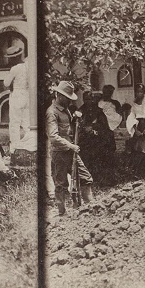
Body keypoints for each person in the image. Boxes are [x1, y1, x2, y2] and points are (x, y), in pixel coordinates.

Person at [47, 80, 94, 215]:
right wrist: (70, 145)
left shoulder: (66, 109)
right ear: (59, 96)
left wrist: (74, 118)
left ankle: (91, 207)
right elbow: (53, 136)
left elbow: (68, 129)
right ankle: (62, 212)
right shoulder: (51, 113)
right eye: (67, 98)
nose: (70, 102)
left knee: (86, 177)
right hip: (60, 153)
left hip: (70, 151)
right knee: (61, 184)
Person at [78, 91, 115, 185]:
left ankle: (100, 178)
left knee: (100, 157)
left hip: (98, 140)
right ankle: (88, 178)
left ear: (93, 99)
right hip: (85, 140)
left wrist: (94, 129)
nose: (88, 101)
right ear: (83, 100)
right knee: (86, 158)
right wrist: (84, 129)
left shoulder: (98, 111)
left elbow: (104, 126)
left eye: (90, 99)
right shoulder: (80, 111)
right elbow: (78, 125)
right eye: (86, 99)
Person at [3, 41, 30, 151]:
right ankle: (29, 145)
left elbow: (6, 83)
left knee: (14, 123)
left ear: (13, 58)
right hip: (27, 95)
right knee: (26, 122)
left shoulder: (14, 69)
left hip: (17, 96)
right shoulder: (27, 66)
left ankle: (14, 148)